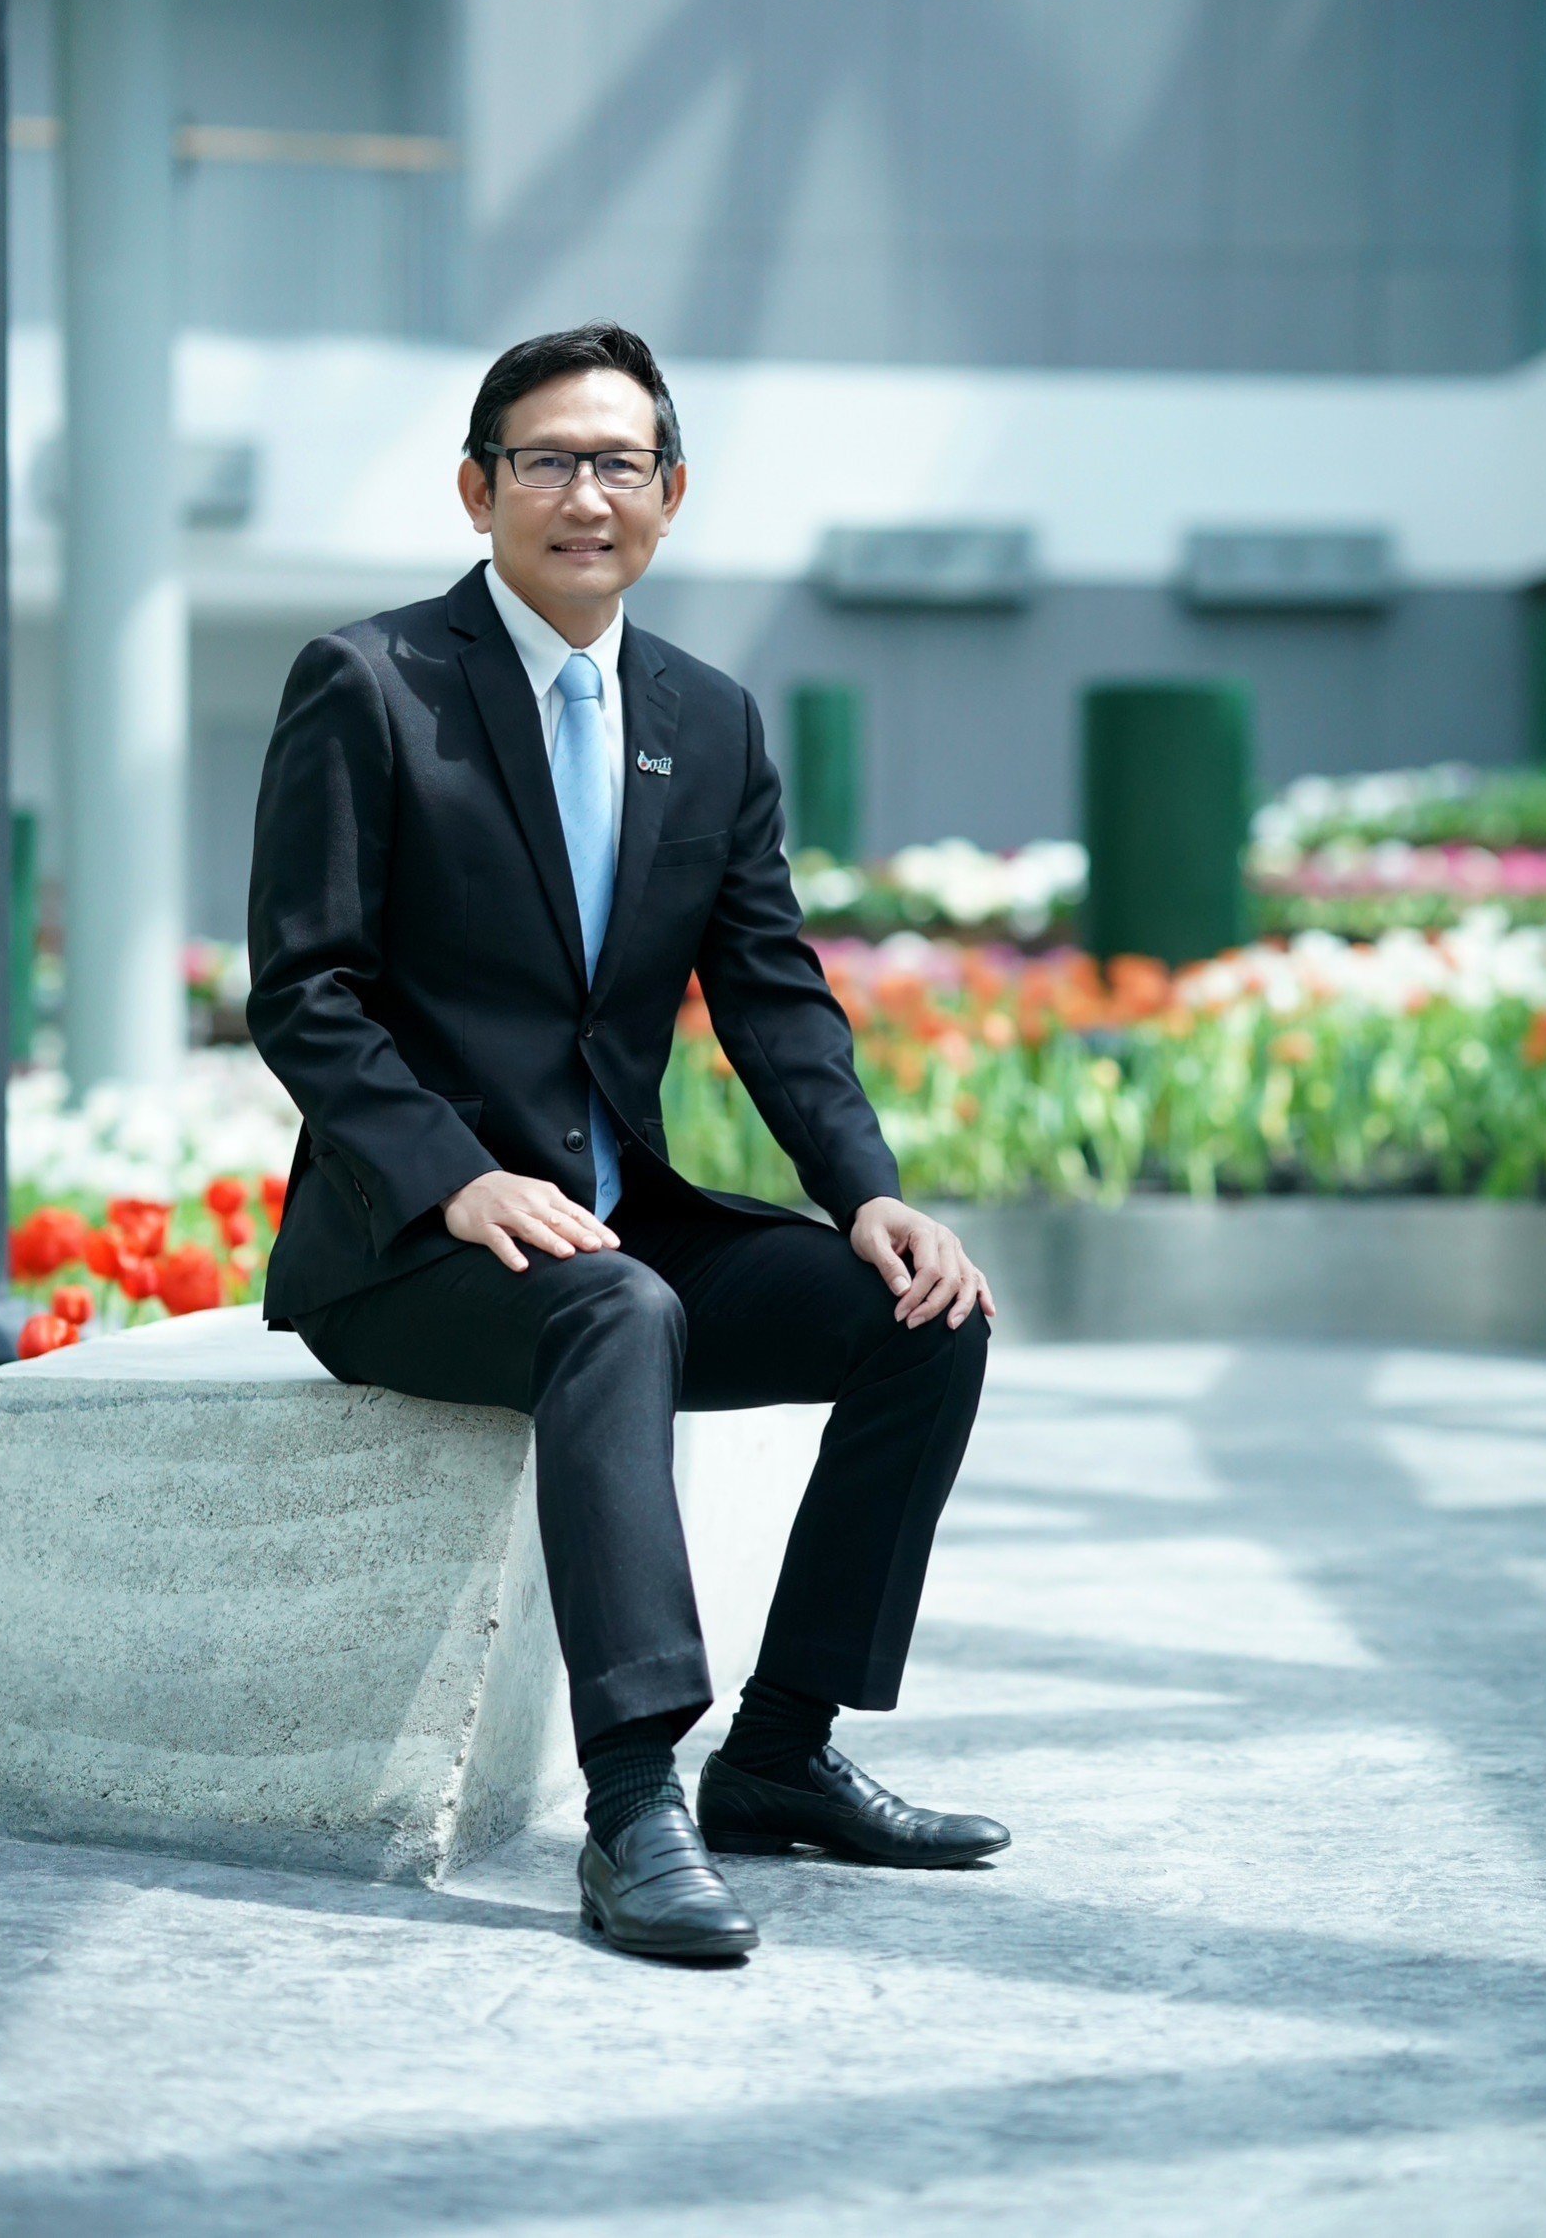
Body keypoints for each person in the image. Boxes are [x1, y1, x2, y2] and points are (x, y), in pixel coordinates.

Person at [247, 319, 1007, 1963]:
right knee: (617, 1307)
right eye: (545, 462)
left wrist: (870, 1196)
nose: (583, 496)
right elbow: (306, 993)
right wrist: (457, 1176)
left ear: (670, 494)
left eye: (617, 463)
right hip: (410, 1252)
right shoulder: (372, 684)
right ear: (478, 490)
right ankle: (635, 1801)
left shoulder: (707, 719)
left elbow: (773, 994)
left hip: (616, 1225)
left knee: (925, 1316)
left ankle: (782, 1754)